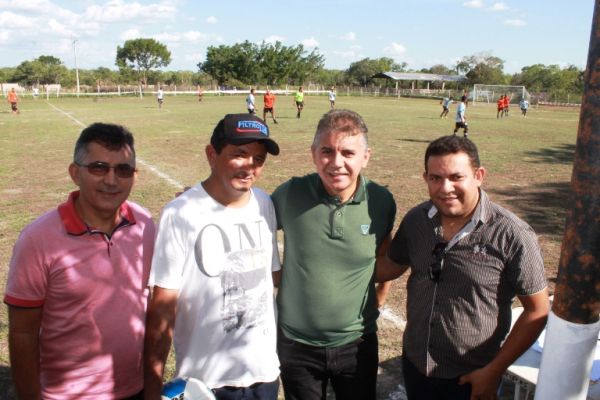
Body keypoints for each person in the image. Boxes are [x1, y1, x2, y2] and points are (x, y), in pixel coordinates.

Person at [377, 135, 549, 400]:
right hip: (415, 365)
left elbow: (537, 310)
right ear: (425, 178)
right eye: (436, 178)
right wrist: (336, 265)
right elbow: (391, 265)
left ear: (479, 176)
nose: (445, 188)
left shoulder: (511, 234)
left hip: (472, 377)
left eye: (456, 177)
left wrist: (493, 371)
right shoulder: (416, 220)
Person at [5, 123, 155, 399]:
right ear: (75, 173)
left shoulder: (144, 224)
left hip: (135, 387)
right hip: (67, 394)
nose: (111, 180)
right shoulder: (38, 239)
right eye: (99, 168)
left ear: (135, 176)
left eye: (123, 170)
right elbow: (22, 333)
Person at [144, 114, 282, 400]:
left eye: (258, 159)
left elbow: (270, 277)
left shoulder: (264, 203)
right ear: (211, 154)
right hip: (204, 383)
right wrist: (152, 385)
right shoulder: (179, 213)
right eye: (239, 155)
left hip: (264, 375)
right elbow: (163, 307)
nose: (250, 167)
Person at [272, 109, 396, 400]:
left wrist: (381, 295)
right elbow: (245, 217)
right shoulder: (290, 194)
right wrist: (208, 201)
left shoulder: (381, 201)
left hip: (357, 343)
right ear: (313, 154)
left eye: (348, 153)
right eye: (327, 151)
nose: (336, 163)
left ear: (365, 157)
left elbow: (384, 253)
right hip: (296, 344)